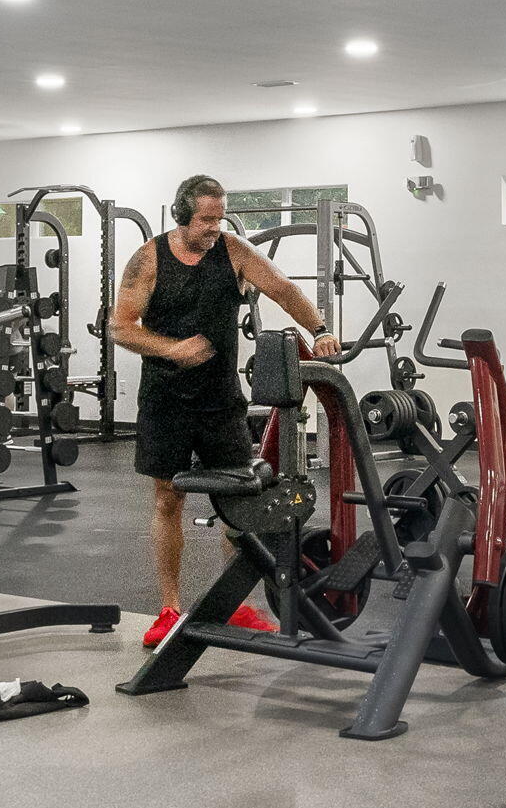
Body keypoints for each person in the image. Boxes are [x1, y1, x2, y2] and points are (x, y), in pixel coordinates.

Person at [112, 174, 342, 646]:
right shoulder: (149, 259)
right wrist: (171, 349)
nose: (214, 228)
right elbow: (121, 327)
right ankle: (168, 608)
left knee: (238, 503)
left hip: (220, 401)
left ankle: (233, 605)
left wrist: (319, 329)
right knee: (168, 499)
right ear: (182, 216)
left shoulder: (234, 251)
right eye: (205, 220)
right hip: (165, 401)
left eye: (219, 218)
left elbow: (282, 288)